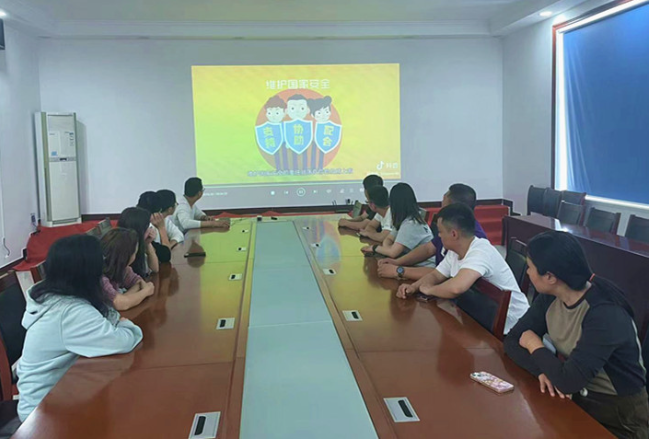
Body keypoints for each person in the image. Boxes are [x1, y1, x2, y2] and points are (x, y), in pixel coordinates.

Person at [504, 231, 648, 438]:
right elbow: (512, 341)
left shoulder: (604, 314)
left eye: (530, 267)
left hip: (618, 418)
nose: (527, 272)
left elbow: (568, 381)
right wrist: (544, 371)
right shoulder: (551, 296)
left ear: (550, 277)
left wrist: (534, 345)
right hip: (576, 400)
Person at [16, 235, 143, 422]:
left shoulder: (53, 295)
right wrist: (125, 323)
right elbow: (123, 341)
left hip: (62, 392)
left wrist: (115, 319)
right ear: (88, 271)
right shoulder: (70, 311)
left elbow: (108, 316)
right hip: (43, 412)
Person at [396, 203, 529, 334]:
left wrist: (429, 290)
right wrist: (414, 287)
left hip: (512, 327)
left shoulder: (480, 251)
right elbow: (436, 275)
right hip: (481, 317)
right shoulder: (454, 251)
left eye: (441, 232)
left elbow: (456, 288)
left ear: (454, 234)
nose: (439, 236)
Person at [378, 183, 488, 280]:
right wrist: (397, 262)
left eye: (443, 202)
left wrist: (399, 270)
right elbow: (428, 249)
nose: (441, 207)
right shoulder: (451, 227)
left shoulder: (470, 238)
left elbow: (443, 275)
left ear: (453, 208)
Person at [361, 183, 435, 267]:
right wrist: (387, 249)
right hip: (410, 263)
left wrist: (374, 248)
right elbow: (388, 239)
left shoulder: (411, 224)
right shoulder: (404, 219)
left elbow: (393, 253)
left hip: (424, 266)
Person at [100, 228, 156, 311]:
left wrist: (124, 298)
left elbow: (138, 282)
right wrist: (146, 292)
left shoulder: (123, 269)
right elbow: (118, 304)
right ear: (126, 256)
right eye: (135, 252)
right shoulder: (99, 276)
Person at [118, 207, 160, 277]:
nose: (151, 229)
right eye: (148, 226)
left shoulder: (138, 244)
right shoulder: (126, 251)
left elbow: (155, 269)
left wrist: (148, 244)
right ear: (140, 229)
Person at [136, 191, 173, 261]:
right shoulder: (149, 228)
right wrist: (162, 228)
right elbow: (165, 255)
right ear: (159, 211)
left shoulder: (132, 219)